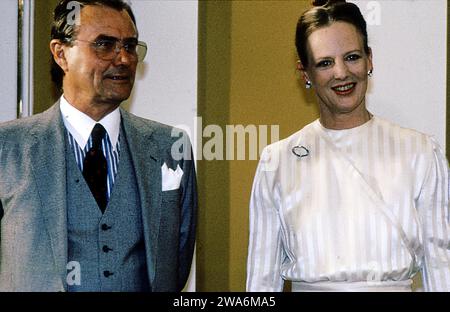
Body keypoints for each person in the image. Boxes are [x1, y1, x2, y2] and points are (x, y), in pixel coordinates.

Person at [247, 0, 449, 292]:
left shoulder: (420, 152)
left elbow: (442, 267)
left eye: (352, 57)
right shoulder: (277, 162)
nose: (341, 73)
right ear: (305, 73)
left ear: (370, 59)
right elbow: (261, 282)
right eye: (325, 63)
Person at [0, 0, 197, 292]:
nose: (124, 59)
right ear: (61, 53)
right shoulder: (8, 148)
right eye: (104, 45)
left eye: (130, 46)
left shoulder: (171, 147)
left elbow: (177, 262)